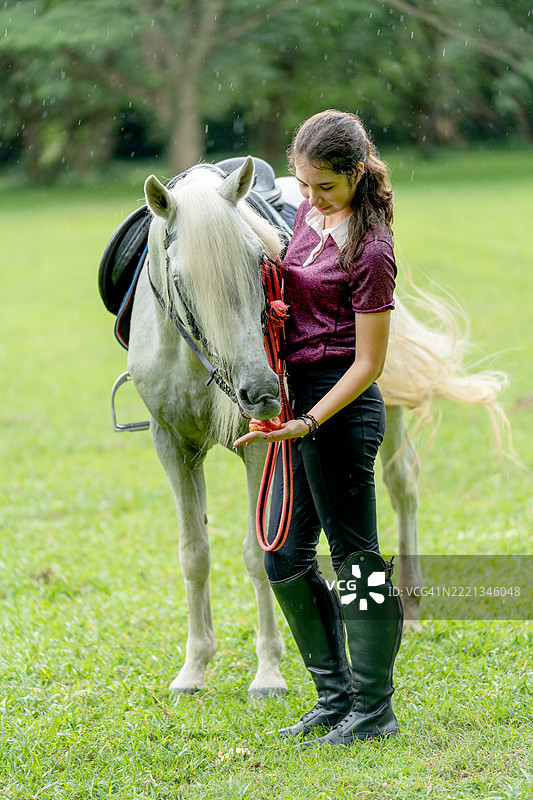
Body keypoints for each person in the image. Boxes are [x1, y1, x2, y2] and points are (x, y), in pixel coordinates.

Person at [234, 109, 403, 747]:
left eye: (324, 185)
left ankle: (374, 708)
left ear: (357, 173)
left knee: (356, 559)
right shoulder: (306, 213)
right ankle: (334, 698)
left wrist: (306, 422)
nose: (309, 197)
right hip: (293, 405)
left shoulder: (373, 249)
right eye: (303, 184)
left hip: (339, 409)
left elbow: (369, 362)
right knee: (282, 553)